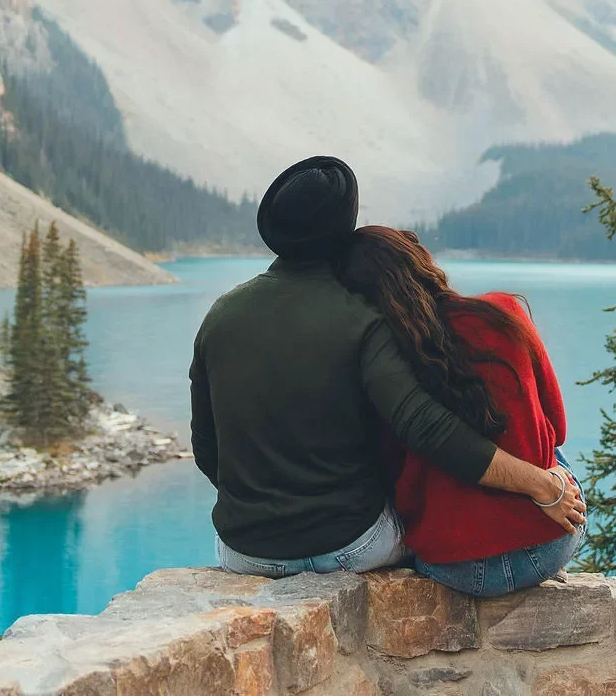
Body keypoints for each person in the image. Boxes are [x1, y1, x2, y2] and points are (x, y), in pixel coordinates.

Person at [191, 156, 584, 577]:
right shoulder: (361, 317)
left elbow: (205, 446)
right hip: (351, 547)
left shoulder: (220, 315)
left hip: (246, 552)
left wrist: (263, 512)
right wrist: (541, 484)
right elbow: (429, 430)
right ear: (343, 228)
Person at [332, 225, 583, 597]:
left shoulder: (386, 365)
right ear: (421, 263)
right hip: (545, 545)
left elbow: (385, 469)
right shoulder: (504, 311)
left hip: (451, 565)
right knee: (553, 450)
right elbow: (557, 427)